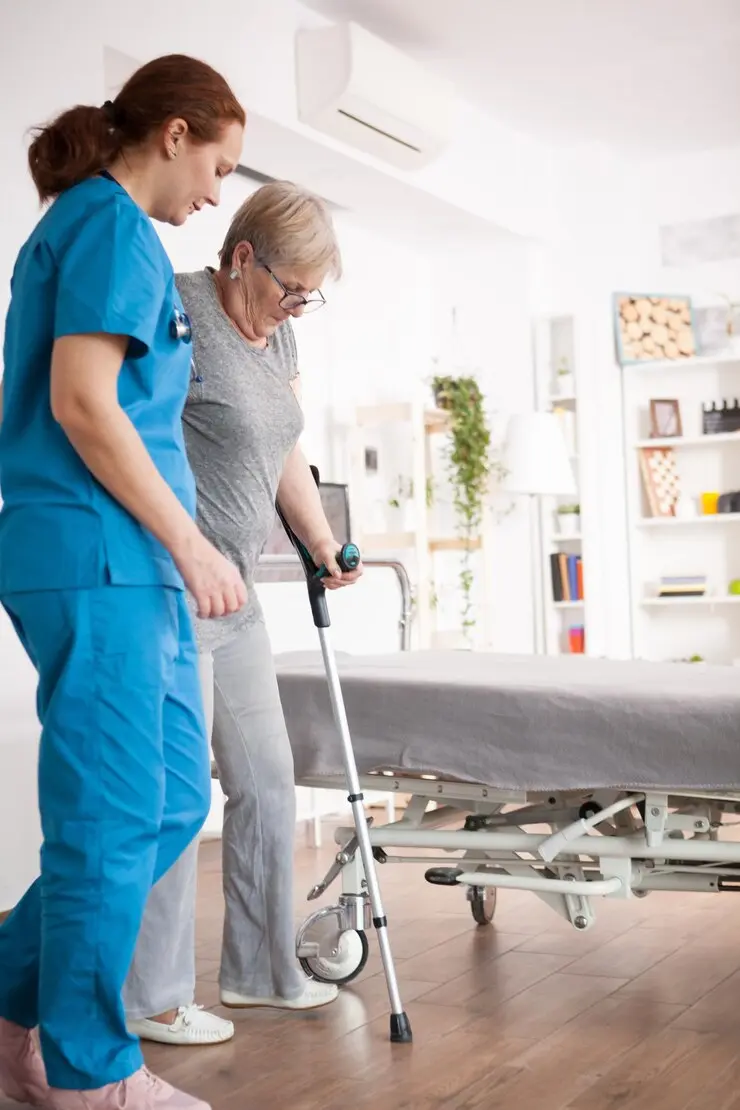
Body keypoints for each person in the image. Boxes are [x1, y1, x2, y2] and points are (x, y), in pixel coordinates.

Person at [0, 55, 247, 1110]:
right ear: (177, 132)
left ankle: (14, 1011)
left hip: (126, 564)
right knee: (109, 818)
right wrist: (192, 544)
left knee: (172, 797)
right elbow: (86, 403)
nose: (215, 193)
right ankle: (89, 1073)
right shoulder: (106, 224)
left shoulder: (111, 231)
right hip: (99, 556)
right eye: (219, 165)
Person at [122, 182, 361, 1048]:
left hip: (240, 597)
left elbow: (283, 443)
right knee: (175, 797)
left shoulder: (278, 330)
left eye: (310, 296)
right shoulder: (176, 307)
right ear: (243, 256)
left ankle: (261, 972)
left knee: (267, 780)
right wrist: (183, 548)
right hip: (172, 590)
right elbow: (125, 429)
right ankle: (151, 996)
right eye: (288, 287)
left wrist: (323, 542)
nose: (295, 307)